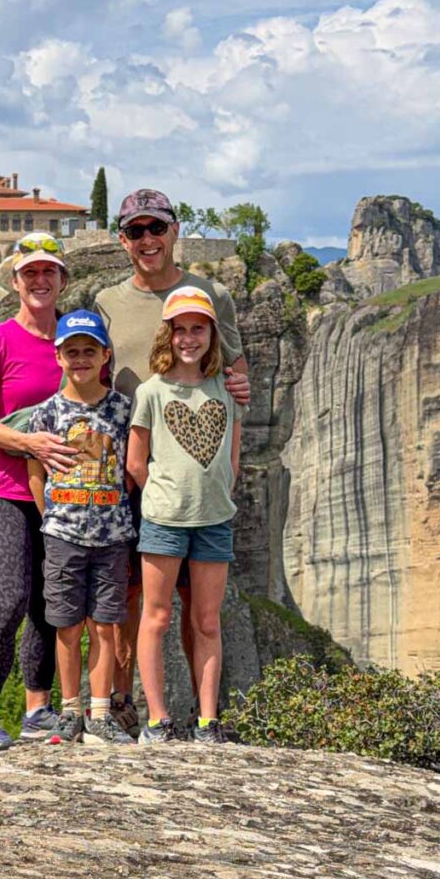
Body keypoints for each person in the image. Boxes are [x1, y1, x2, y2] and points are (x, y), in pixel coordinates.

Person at [94, 189, 250, 734]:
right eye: (135, 231)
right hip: (131, 464)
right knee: (128, 595)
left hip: (199, 474)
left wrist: (241, 387)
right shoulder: (107, 300)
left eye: (155, 228)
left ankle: (202, 715)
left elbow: (235, 367)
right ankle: (124, 706)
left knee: (196, 605)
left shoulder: (211, 294)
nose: (147, 240)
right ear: (123, 240)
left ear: (174, 230)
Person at [0, 232, 78, 751]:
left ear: (62, 280)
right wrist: (26, 442)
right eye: (30, 272)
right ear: (14, 282)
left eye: (48, 271)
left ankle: (37, 710)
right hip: (0, 491)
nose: (39, 280)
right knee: (9, 600)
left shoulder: (75, 340)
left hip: (63, 495)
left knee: (48, 607)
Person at [127, 286, 242, 743]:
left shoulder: (225, 389)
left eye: (198, 329)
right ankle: (157, 719)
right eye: (181, 330)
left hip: (214, 520)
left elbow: (233, 455)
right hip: (164, 520)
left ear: (212, 334)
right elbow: (136, 461)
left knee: (207, 621)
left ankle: (208, 719)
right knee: (155, 617)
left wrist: (219, 492)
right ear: (168, 335)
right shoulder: (152, 391)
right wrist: (163, 495)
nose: (189, 339)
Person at [27, 310, 136, 746]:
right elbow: (36, 473)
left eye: (89, 351)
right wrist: (53, 518)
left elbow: (129, 468)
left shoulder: (123, 409)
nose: (80, 359)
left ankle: (101, 712)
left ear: (105, 355)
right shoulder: (47, 413)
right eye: (71, 352)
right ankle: (70, 711)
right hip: (63, 536)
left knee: (105, 627)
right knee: (67, 627)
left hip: (112, 537)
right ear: (58, 357)